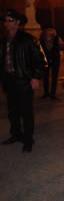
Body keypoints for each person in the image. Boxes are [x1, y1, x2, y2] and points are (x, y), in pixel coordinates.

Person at [0, 8, 46, 152]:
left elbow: (40, 60)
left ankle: (28, 139)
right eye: (6, 21)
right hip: (9, 80)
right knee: (12, 110)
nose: (7, 24)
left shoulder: (28, 39)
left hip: (24, 80)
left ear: (18, 22)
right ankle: (16, 134)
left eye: (11, 21)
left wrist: (36, 77)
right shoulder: (3, 41)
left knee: (26, 111)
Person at [40, 24, 64, 100]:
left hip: (55, 59)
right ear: (45, 31)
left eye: (51, 30)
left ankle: (53, 93)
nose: (50, 32)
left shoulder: (56, 38)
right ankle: (46, 92)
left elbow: (63, 46)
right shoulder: (42, 39)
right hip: (45, 60)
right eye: (48, 30)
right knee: (45, 76)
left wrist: (62, 45)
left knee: (54, 77)